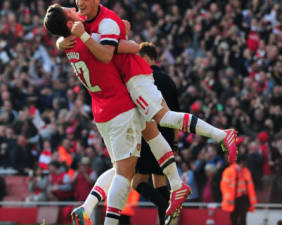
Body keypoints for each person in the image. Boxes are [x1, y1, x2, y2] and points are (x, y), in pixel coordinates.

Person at [57, 0, 237, 219]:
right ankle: (177, 186)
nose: (77, 6)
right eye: (73, 5)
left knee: (162, 118)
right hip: (123, 92)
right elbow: (125, 35)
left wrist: (84, 38)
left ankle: (221, 135)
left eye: (80, 2)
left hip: (133, 80)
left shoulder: (100, 25)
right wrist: (64, 39)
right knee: (150, 133)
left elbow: (128, 45)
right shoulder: (83, 26)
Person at [44, 5, 154, 225]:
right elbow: (130, 46)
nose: (73, 8)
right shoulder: (88, 38)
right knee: (125, 174)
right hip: (120, 108)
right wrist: (126, 38)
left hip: (102, 111)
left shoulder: (69, 43)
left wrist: (58, 41)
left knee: (118, 169)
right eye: (69, 10)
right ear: (69, 24)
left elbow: (64, 37)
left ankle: (86, 208)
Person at [131, 42, 180, 225]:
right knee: (160, 182)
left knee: (137, 181)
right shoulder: (169, 81)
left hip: (148, 135)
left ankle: (167, 207)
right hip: (166, 137)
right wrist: (175, 143)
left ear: (145, 58)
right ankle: (165, 221)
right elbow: (176, 115)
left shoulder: (142, 78)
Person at [220, 154, 257, 225]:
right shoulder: (228, 171)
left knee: (243, 219)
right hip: (234, 199)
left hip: (244, 199)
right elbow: (224, 186)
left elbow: (250, 186)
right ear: (242, 162)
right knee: (234, 219)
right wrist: (228, 199)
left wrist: (251, 200)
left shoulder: (246, 171)